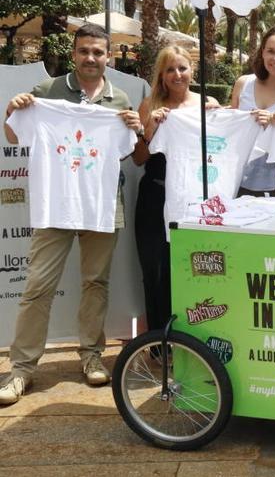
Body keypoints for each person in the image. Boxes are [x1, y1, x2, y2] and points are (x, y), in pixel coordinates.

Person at [0, 24, 144, 404]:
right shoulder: (49, 93)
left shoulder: (120, 99)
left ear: (108, 56)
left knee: (96, 282)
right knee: (37, 286)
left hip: (101, 203)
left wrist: (135, 128)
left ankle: (92, 356)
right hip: (55, 204)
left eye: (98, 52)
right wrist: (12, 111)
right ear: (74, 53)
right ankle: (21, 370)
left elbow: (125, 152)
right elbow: (15, 135)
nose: (91, 58)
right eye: (84, 51)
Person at [131, 45, 218, 334]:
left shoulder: (207, 104)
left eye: (182, 68)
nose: (177, 75)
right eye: (170, 69)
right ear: (162, 75)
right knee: (155, 272)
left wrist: (218, 118)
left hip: (193, 200)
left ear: (192, 70)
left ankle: (191, 338)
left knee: (193, 270)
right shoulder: (150, 104)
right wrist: (150, 127)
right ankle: (159, 345)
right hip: (155, 199)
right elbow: (139, 158)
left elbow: (220, 148)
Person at [230, 25, 275, 197]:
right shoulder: (243, 83)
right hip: (237, 180)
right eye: (270, 51)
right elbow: (231, 127)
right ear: (262, 52)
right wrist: (215, 111)